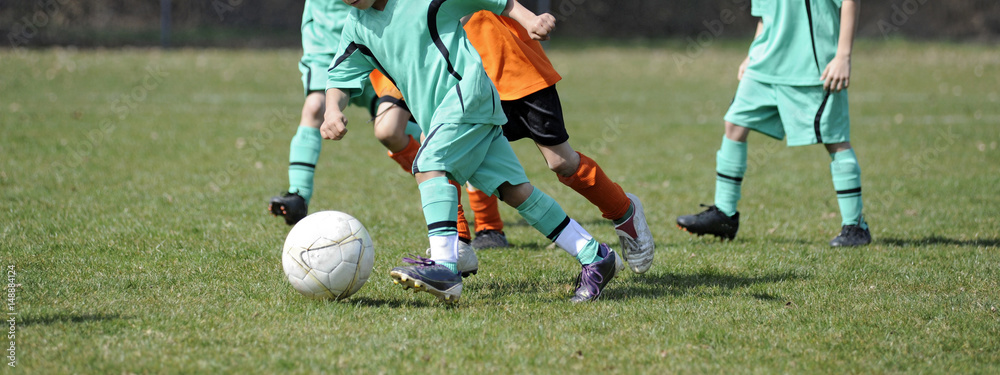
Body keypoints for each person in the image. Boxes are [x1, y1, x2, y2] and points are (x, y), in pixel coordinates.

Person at [324, 0, 620, 304]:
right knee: (515, 190)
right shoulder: (357, 25)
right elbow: (339, 77)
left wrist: (528, 19)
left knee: (428, 163)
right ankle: (595, 255)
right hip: (450, 113)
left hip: (467, 96)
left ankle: (445, 269)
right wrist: (332, 109)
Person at [370, 11, 655, 274]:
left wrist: (529, 18)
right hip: (462, 77)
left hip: (511, 63)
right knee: (439, 144)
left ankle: (624, 212)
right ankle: (457, 242)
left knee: (561, 162)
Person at [676, 0, 871, 247]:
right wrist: (752, 54)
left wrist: (843, 55)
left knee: (835, 140)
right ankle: (724, 215)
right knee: (734, 126)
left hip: (813, 68)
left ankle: (855, 227)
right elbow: (765, 14)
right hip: (765, 63)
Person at [267, 0, 378, 226]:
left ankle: (453, 179)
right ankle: (298, 196)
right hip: (324, 43)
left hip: (369, 38)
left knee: (398, 124)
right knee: (315, 106)